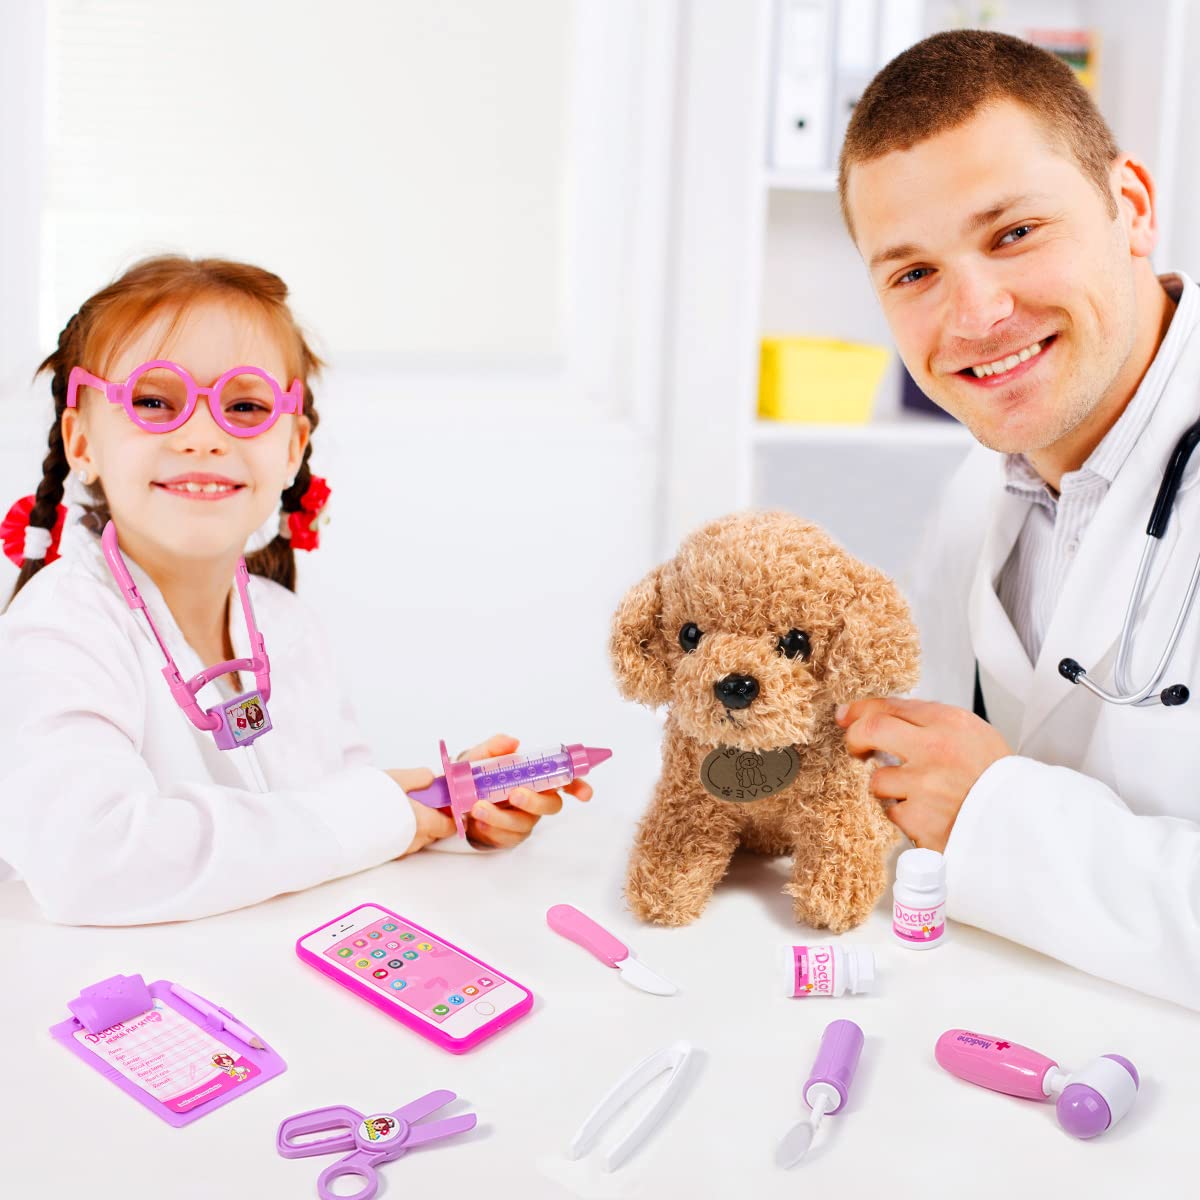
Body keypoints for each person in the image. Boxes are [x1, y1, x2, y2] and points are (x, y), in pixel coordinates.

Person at [0, 256, 591, 925]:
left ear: (291, 449)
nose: (203, 436)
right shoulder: (59, 630)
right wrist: (379, 813)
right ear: (82, 442)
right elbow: (91, 863)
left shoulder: (287, 626)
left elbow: (331, 819)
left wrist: (453, 813)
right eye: (153, 401)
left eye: (245, 406)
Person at [832, 30, 1199, 1009]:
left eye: (1014, 233)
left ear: (1131, 207)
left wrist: (996, 815)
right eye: (913, 274)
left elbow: (986, 798)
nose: (977, 314)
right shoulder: (976, 494)